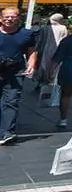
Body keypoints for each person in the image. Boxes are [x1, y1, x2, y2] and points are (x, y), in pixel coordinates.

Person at [0, 8, 39, 145]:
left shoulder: (26, 34)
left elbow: (32, 51)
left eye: (13, 16)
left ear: (18, 19)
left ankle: (7, 133)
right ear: (1, 18)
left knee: (11, 101)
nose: (9, 19)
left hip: (15, 72)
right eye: (6, 17)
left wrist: (31, 63)